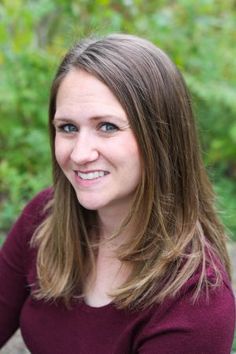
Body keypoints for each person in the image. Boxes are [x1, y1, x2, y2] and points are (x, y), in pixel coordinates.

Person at [0, 33, 235, 354]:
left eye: (107, 127)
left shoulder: (197, 302)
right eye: (67, 127)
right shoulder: (45, 217)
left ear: (160, 136)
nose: (80, 153)